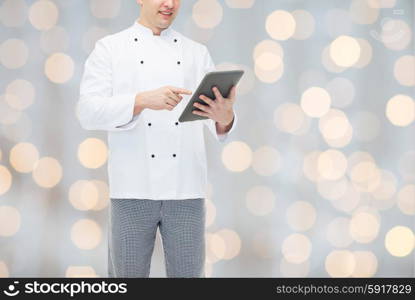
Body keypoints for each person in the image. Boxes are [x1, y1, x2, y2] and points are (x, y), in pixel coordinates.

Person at [77, 0, 238, 278]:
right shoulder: (110, 48)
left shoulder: (196, 53)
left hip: (186, 189)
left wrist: (225, 117)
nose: (170, 4)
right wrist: (141, 101)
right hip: (131, 189)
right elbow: (88, 112)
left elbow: (215, 125)